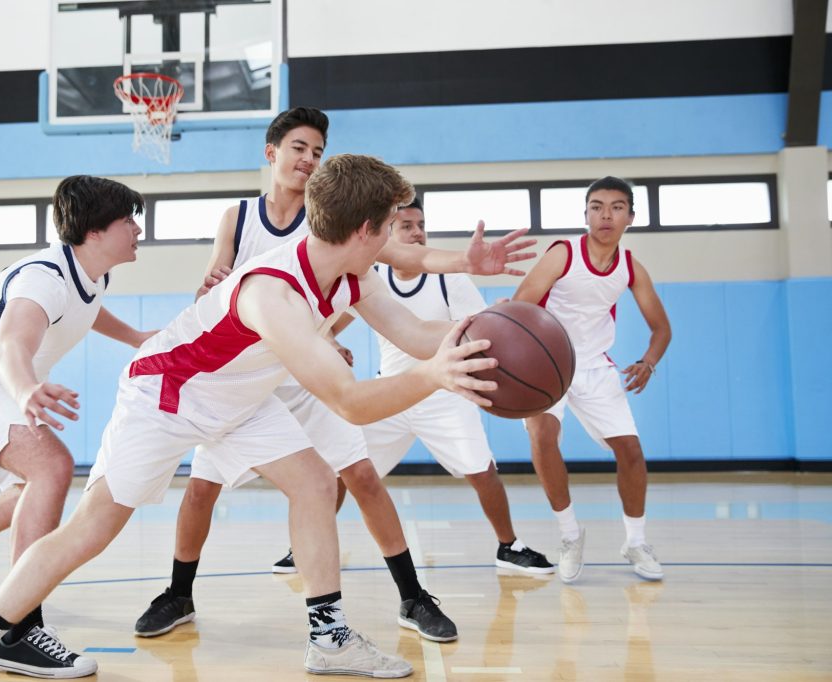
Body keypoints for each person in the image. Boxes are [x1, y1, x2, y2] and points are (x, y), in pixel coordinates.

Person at [0, 153, 534, 682]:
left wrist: (481, 334)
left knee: (315, 482)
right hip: (167, 397)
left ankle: (329, 640)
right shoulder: (274, 293)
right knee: (92, 530)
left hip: (240, 399)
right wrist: (434, 376)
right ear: (364, 230)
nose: (398, 244)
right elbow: (350, 400)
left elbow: (416, 331)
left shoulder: (353, 271)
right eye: (390, 230)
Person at [134, 107, 536, 644]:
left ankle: (411, 597)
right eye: (300, 147)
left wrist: (465, 264)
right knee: (202, 488)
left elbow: (395, 258)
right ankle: (179, 593)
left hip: (307, 376)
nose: (309, 158)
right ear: (272, 151)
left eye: (318, 151)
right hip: (241, 379)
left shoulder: (335, 218)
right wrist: (212, 286)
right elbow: (225, 287)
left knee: (360, 478)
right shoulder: (239, 217)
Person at [0, 175, 155, 678]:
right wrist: (26, 389)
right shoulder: (42, 276)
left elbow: (86, 311)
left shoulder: (91, 274)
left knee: (33, 484)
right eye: (127, 220)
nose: (138, 228)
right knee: (51, 467)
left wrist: (134, 336)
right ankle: (17, 629)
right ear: (94, 232)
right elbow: (10, 344)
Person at [358, 198, 554, 575]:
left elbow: (480, 325)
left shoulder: (449, 278)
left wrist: (503, 317)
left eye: (420, 224)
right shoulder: (372, 277)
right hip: (393, 392)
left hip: (444, 393)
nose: (416, 232)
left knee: (483, 472)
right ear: (387, 235)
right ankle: (300, 548)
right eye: (406, 226)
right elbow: (341, 317)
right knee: (344, 467)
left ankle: (508, 546)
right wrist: (331, 340)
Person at [512, 176, 672, 583]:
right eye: (597, 206)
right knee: (542, 438)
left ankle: (635, 541)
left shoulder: (630, 267)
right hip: (548, 362)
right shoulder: (563, 254)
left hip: (595, 365)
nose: (606, 215)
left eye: (616, 207)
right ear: (585, 214)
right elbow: (520, 305)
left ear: (630, 217)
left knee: (632, 453)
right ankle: (570, 536)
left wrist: (648, 363)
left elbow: (661, 329)